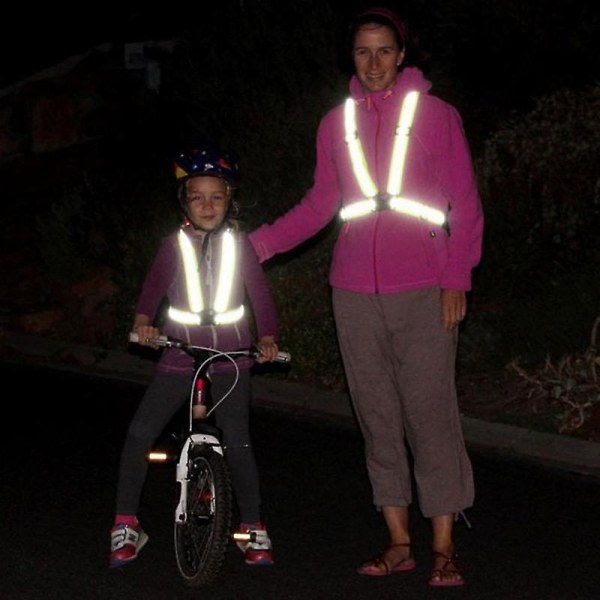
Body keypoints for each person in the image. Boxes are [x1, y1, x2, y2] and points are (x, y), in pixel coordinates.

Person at [249, 5, 483, 588]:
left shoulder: (436, 115)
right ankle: (399, 541)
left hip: (425, 288)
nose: (374, 63)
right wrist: (255, 246)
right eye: (362, 52)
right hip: (352, 291)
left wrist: (458, 275)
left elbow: (467, 204)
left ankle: (445, 547)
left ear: (402, 54)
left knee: (430, 418)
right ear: (351, 58)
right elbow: (319, 204)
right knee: (377, 418)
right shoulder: (337, 123)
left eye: (384, 51)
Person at [110, 142, 280, 569]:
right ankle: (126, 523)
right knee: (139, 432)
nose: (208, 205)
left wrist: (270, 337)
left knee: (238, 441)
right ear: (184, 200)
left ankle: (253, 527)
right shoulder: (174, 245)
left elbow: (260, 295)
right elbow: (151, 290)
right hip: (180, 354)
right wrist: (144, 322)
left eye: (217, 197)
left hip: (230, 358)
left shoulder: (240, 247)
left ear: (230, 200)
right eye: (198, 196)